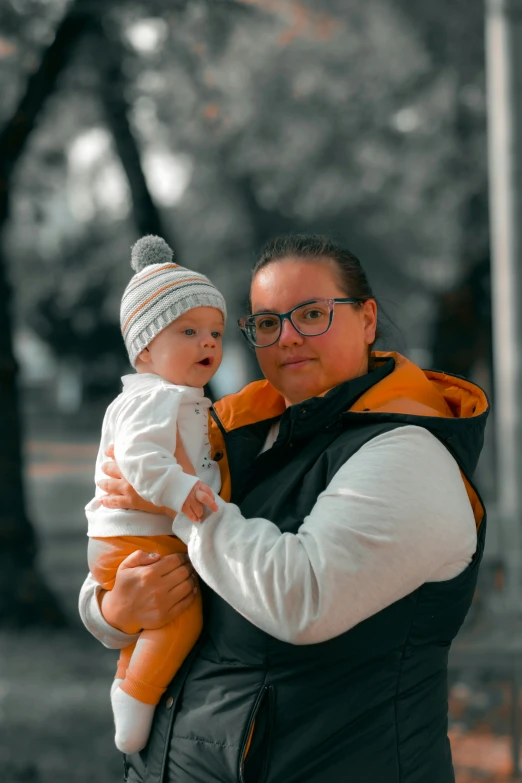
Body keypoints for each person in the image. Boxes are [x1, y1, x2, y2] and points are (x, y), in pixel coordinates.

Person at [80, 234, 488, 783]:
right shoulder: (236, 431)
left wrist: (183, 504)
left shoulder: (408, 454)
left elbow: (302, 596)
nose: (288, 337)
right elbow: (135, 540)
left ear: (367, 320)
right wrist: (113, 612)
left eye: (313, 313)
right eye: (268, 323)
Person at [85, 235, 226, 755]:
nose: (207, 343)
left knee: (156, 620)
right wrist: (181, 487)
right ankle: (136, 698)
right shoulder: (155, 399)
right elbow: (140, 461)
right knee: (182, 613)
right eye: (188, 331)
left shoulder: (174, 397)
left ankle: (129, 680)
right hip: (133, 539)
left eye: (214, 332)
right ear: (144, 348)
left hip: (126, 539)